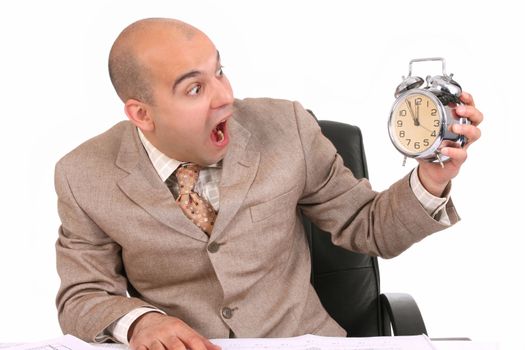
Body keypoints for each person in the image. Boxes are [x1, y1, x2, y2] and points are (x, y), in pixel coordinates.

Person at [54, 17, 483, 350]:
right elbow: (83, 295)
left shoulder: (288, 127)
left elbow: (366, 225)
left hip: (299, 342)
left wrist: (432, 176)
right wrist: (140, 322)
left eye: (219, 71)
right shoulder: (84, 175)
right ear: (142, 114)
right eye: (194, 89)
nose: (224, 96)